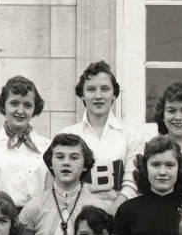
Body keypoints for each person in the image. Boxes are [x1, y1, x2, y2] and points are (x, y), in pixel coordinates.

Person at [19, 133, 109, 235]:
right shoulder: (34, 206)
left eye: (74, 158)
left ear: (85, 164)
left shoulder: (100, 207)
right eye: (60, 157)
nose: (66, 163)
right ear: (50, 163)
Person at [59, 60, 143, 207]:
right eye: (91, 89)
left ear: (114, 94)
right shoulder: (66, 135)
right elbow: (60, 184)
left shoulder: (131, 136)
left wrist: (114, 211)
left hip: (118, 215)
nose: (98, 96)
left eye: (105, 89)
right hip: (77, 217)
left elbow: (132, 183)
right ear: (82, 95)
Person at [0, 75, 50, 209]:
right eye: (14, 103)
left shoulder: (48, 147)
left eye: (27, 105)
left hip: (36, 222)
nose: (20, 111)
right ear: (3, 106)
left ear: (34, 108)